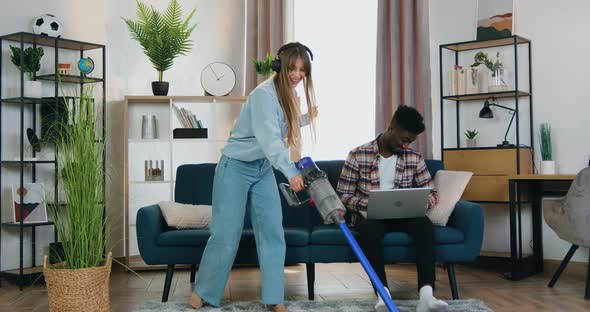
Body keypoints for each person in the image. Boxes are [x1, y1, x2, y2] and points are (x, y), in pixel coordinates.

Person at [188, 42, 318, 312]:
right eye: (292, 68)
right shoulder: (263, 96)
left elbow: (285, 123)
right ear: (279, 66)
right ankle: (203, 291)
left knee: (273, 232)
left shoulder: (289, 96)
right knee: (226, 234)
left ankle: (274, 298)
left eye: (302, 70)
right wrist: (292, 172)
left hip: (261, 169)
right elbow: (271, 140)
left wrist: (306, 118)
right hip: (235, 166)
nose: (297, 75)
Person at [336, 106, 448, 312]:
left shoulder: (414, 157)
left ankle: (426, 296)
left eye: (410, 142)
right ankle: (383, 295)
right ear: (391, 128)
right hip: (370, 216)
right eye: (404, 140)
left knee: (424, 225)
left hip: (403, 215)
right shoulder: (358, 155)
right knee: (370, 231)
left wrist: (422, 201)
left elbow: (431, 193)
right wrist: (369, 204)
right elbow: (343, 196)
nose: (406, 146)